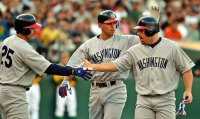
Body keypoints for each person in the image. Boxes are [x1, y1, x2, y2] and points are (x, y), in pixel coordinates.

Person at [80, 16, 194, 119]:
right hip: (143, 101)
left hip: (166, 99)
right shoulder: (135, 50)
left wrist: (188, 90)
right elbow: (115, 65)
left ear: (151, 31)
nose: (138, 34)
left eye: (141, 31)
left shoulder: (172, 47)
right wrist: (92, 66)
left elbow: (187, 70)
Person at [59, 7, 160, 119]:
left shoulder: (126, 40)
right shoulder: (89, 44)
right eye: (109, 23)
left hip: (115, 88)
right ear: (100, 25)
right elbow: (73, 64)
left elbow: (147, 40)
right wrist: (65, 81)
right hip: (95, 89)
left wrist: (152, 23)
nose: (113, 26)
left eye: (115, 23)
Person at [0, 14, 92, 119]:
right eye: (32, 28)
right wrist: (72, 71)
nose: (35, 31)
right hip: (15, 93)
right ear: (25, 29)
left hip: (3, 90)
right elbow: (49, 68)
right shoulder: (24, 48)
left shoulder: (7, 40)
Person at [53, 52, 77, 119]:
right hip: (61, 88)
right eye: (63, 57)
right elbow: (56, 79)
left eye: (66, 57)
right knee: (60, 107)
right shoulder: (57, 66)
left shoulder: (72, 67)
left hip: (71, 88)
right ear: (61, 58)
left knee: (72, 108)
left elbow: (76, 78)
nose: (65, 59)